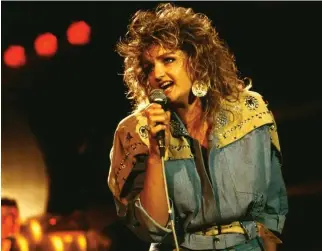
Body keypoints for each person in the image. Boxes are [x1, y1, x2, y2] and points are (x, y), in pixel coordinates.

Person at [107, 3, 288, 250]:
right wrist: (154, 152)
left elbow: (273, 204)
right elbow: (151, 228)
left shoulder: (249, 110)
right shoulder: (133, 131)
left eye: (168, 60)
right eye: (149, 67)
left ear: (197, 61)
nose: (158, 74)